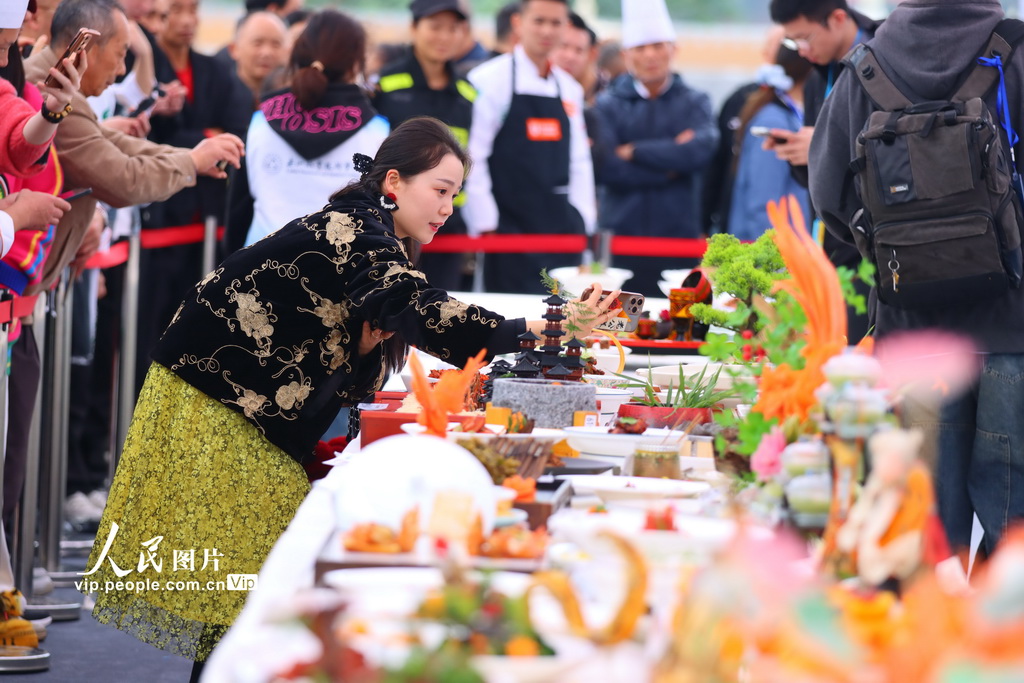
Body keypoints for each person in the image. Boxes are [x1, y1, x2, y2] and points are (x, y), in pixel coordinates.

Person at [86, 116, 622, 678]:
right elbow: (416, 308)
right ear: (394, 182)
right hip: (221, 399)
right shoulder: (356, 229)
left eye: (454, 195)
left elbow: (378, 321)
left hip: (243, 399)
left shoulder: (373, 231)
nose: (447, 208)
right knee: (248, 586)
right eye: (440, 190)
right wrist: (539, 329)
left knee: (254, 584)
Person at [809, 0, 1024, 563]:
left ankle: (925, 641)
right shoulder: (1018, 51)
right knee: (1014, 523)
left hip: (912, 326)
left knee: (922, 518)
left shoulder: (866, 65)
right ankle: (1000, 644)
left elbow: (829, 193)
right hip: (1014, 327)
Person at [226, 9, 389, 253]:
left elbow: (238, 213)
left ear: (296, 53)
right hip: (345, 276)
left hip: (260, 271)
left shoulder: (261, 121)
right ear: (356, 62)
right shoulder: (376, 131)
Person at [464, 0, 595, 294]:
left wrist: (583, 220)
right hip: (507, 228)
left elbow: (579, 162)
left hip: (561, 228)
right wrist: (485, 221)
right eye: (539, 21)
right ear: (518, 23)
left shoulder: (569, 88)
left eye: (556, 23)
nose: (547, 30)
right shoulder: (488, 80)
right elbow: (474, 156)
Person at [769, 0, 880, 341]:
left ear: (838, 18)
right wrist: (798, 153)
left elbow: (898, 152)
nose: (802, 51)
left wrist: (821, 146)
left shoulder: (886, 58)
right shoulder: (820, 75)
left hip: (875, 247)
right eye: (792, 43)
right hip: (828, 247)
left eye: (804, 38)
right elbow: (818, 179)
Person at [591, 0, 717, 298]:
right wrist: (672, 165)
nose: (650, 55)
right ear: (626, 55)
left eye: (658, 45)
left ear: (674, 49)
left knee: (680, 322)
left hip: (679, 237)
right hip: (621, 237)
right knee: (617, 325)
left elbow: (700, 152)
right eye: (640, 47)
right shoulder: (607, 104)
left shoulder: (695, 101)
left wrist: (634, 151)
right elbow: (607, 167)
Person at [373, 0, 476, 291]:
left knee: (443, 308)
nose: (444, 37)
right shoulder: (386, 86)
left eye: (453, 28)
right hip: (393, 222)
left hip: (448, 223)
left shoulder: (467, 94)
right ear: (414, 28)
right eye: (435, 27)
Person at [727, 45, 812, 240]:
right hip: (773, 253)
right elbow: (764, 204)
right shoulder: (773, 121)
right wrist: (776, 261)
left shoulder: (788, 116)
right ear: (811, 71)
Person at [228, 10, 288, 109]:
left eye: (276, 44)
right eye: (257, 43)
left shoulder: (294, 102)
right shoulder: (217, 97)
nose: (267, 52)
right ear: (234, 49)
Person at [553, 12, 602, 106]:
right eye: (563, 46)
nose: (570, 57)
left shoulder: (603, 95)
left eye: (579, 50)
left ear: (592, 55)